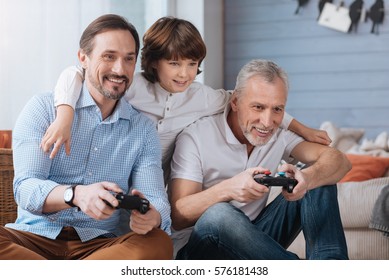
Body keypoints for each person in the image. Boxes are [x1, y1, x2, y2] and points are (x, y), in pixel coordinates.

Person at [41, 17, 331, 185]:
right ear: (155, 62)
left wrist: (303, 130)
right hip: (115, 173)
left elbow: (251, 102)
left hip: (161, 185)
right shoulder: (132, 85)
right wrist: (64, 115)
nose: (184, 74)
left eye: (192, 64)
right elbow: (74, 73)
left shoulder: (202, 97)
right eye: (175, 64)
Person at [0, 14, 172, 260]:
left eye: (128, 59)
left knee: (157, 243)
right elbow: (26, 189)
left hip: (99, 247)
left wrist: (153, 216)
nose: (119, 69)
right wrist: (76, 195)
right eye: (109, 56)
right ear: (83, 58)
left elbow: (156, 198)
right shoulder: (43, 109)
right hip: (32, 239)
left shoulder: (142, 130)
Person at [169, 59, 351, 260]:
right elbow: (178, 217)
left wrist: (307, 178)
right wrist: (229, 189)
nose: (267, 122)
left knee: (319, 177)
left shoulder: (278, 134)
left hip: (256, 243)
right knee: (219, 214)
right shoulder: (196, 136)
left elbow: (339, 161)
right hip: (202, 252)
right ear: (236, 102)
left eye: (277, 109)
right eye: (258, 107)